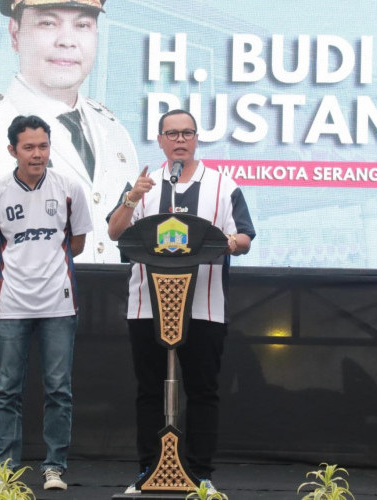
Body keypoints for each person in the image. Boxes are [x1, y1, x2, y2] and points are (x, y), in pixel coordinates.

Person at [0, 0, 139, 264]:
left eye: (82, 25)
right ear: (15, 34)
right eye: (48, 23)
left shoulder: (114, 131)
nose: (67, 41)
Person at [107, 109, 256, 494]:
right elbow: (115, 232)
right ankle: (148, 470)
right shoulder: (143, 185)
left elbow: (244, 237)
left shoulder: (223, 186)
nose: (179, 140)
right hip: (148, 306)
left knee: (203, 391)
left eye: (186, 133)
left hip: (204, 305)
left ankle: (200, 473)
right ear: (159, 140)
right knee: (149, 390)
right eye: (171, 134)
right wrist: (131, 199)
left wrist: (228, 242)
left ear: (196, 139)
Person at [0, 115, 92, 491]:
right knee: (7, 389)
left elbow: (76, 244)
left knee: (59, 389)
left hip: (59, 303)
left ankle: (54, 467)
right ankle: (4, 470)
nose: (37, 154)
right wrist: (21, 272)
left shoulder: (69, 187)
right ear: (13, 150)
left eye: (43, 146)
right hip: (11, 304)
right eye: (29, 147)